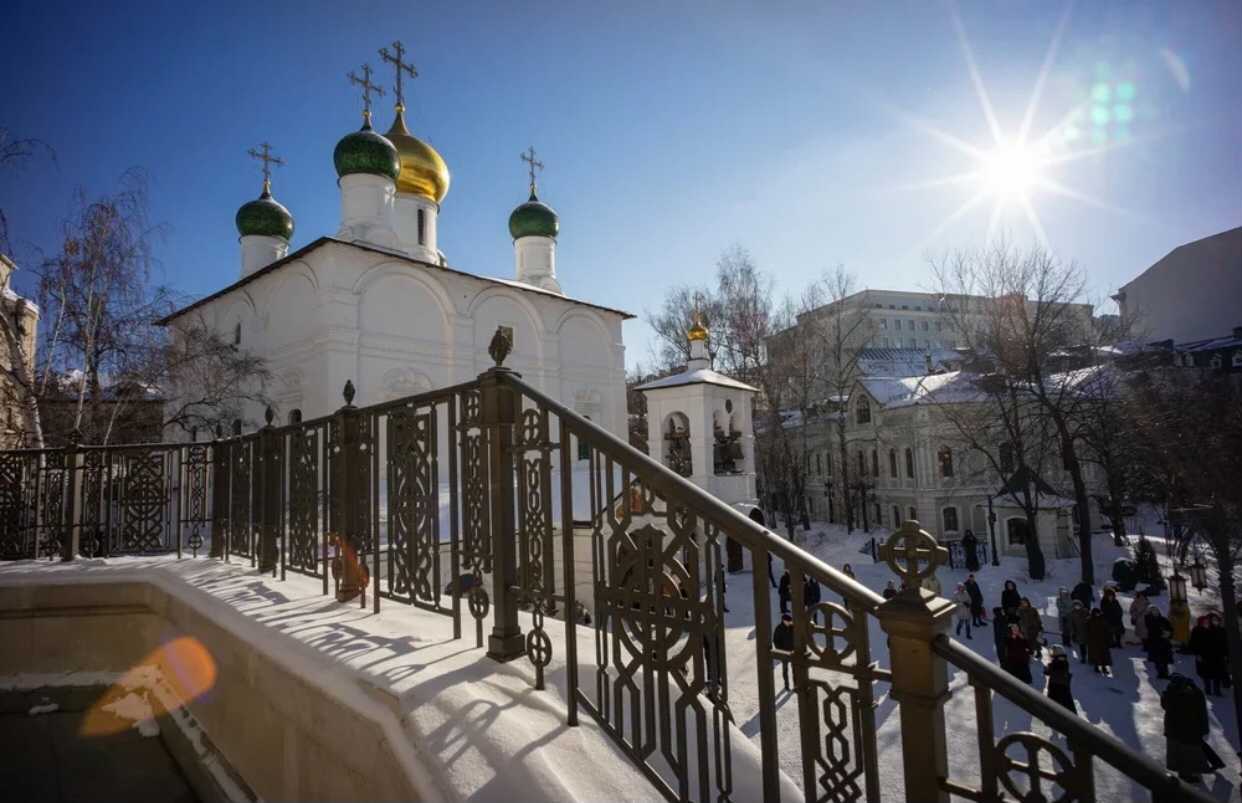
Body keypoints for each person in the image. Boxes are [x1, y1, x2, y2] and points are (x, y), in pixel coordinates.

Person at [1162, 674, 1211, 782]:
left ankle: (1187, 773)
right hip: (1185, 728)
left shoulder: (1176, 693)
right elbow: (1201, 712)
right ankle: (1186, 774)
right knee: (1186, 751)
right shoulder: (1193, 693)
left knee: (1185, 751)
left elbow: (1200, 712)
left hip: (1182, 728)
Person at [1191, 612, 1228, 696]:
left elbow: (1223, 643)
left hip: (1217, 656)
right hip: (1203, 656)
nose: (1206, 623)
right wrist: (1197, 654)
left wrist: (1225, 654)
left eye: (1207, 622)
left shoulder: (1217, 630)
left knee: (1217, 674)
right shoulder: (1197, 630)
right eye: (1204, 622)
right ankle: (1207, 689)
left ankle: (1217, 690)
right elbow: (1193, 644)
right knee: (1205, 674)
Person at [1045, 644, 1076, 713]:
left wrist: (1048, 667)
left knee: (1055, 703)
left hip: (1056, 685)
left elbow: (1048, 671)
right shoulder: (1064, 660)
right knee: (1066, 702)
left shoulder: (1057, 661)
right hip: (1063, 684)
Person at [1147, 607, 1174, 680]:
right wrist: (1161, 634)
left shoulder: (1164, 620)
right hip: (1156, 643)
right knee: (1158, 660)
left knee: (1165, 659)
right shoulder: (1150, 621)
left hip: (1165, 643)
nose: (1155, 612)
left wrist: (1169, 634)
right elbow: (1151, 632)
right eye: (1153, 611)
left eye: (1156, 611)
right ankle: (1161, 673)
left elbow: (1171, 629)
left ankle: (1165, 673)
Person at [772, 613, 795, 691]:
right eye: (788, 621)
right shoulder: (779, 628)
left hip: (793, 652)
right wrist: (781, 650)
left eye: (790, 621)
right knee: (785, 670)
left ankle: (796, 685)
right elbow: (775, 641)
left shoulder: (793, 627)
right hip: (784, 653)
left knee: (795, 669)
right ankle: (786, 685)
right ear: (784, 621)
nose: (790, 622)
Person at [1087, 607, 1113, 676]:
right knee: (1096, 655)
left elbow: (1107, 630)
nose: (1097, 614)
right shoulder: (1090, 620)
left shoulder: (1103, 620)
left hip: (1103, 640)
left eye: (1098, 613)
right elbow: (1087, 631)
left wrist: (1109, 639)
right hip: (1094, 641)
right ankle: (1096, 667)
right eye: (1095, 613)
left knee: (1104, 655)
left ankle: (1104, 668)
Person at [1070, 600, 1090, 665]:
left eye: (1078, 605)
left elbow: (1090, 619)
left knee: (1089, 646)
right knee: (1082, 646)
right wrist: (1073, 633)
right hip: (1079, 632)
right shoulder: (1073, 613)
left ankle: (1090, 658)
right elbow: (1072, 624)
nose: (1077, 606)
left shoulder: (1085, 611)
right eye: (1075, 605)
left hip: (1087, 631)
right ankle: (1083, 657)